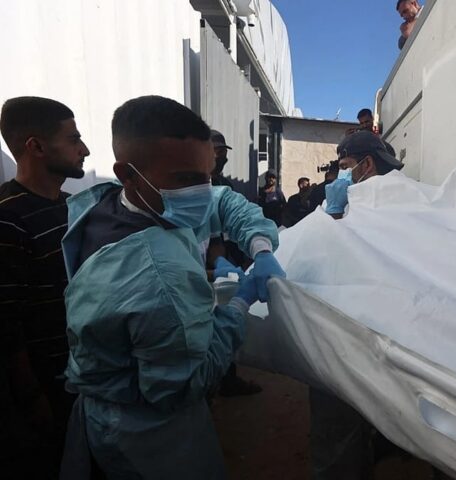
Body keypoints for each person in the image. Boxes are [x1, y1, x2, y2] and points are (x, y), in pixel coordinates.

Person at [59, 95, 285, 478]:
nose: (203, 191)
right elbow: (186, 384)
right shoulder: (157, 278)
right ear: (128, 174)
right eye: (187, 179)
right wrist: (236, 307)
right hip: (146, 432)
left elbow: (223, 203)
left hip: (112, 401)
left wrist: (260, 247)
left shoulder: (114, 204)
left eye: (207, 175)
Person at [0, 96, 90, 477]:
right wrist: (33, 397)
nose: (84, 150)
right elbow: (6, 325)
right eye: (74, 139)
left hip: (84, 379)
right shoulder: (8, 219)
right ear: (36, 146)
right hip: (45, 393)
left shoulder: (74, 207)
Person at [308, 131, 404, 479]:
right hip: (375, 332)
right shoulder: (393, 201)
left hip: (345, 335)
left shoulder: (376, 207)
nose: (341, 174)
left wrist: (334, 215)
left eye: (346, 165)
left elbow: (332, 257)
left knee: (338, 427)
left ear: (366, 165)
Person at [207, 128, 262, 397]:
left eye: (223, 152)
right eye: (216, 151)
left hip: (223, 256)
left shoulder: (223, 185)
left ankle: (228, 378)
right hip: (203, 266)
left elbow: (232, 223)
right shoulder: (189, 190)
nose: (221, 157)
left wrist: (256, 250)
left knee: (223, 313)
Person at [325, 130, 404, 219]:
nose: (340, 175)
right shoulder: (405, 195)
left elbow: (335, 229)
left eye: (344, 167)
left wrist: (334, 211)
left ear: (367, 164)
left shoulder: (370, 208)